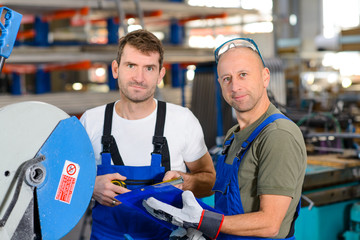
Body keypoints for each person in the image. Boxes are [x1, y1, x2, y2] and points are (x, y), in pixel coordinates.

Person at [143, 38, 307, 240]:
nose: (235, 86)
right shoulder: (233, 135)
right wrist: (184, 181)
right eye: (227, 78)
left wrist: (203, 221)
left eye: (243, 75)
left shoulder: (278, 135)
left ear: (265, 77)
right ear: (220, 84)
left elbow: (270, 224)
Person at [80, 29, 216, 240]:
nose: (139, 78)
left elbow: (209, 181)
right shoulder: (91, 121)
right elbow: (63, 183)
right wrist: (91, 187)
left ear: (160, 74)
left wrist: (185, 181)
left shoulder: (182, 120)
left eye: (149, 68)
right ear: (116, 69)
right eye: (131, 65)